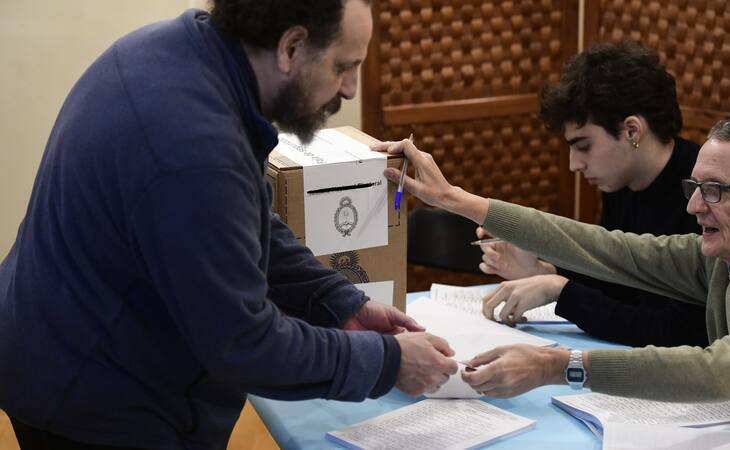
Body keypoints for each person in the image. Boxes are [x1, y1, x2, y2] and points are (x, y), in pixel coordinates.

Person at [0, 1, 458, 448]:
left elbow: (244, 222)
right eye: (343, 66)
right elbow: (245, 344)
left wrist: (337, 300)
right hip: (93, 399)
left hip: (62, 345)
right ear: (291, 47)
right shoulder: (193, 146)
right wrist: (387, 362)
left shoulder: (181, 51)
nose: (352, 89)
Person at [375, 117, 730, 447]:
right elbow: (601, 248)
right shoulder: (723, 255)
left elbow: (719, 372)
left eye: (716, 190)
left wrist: (558, 366)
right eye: (695, 186)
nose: (694, 206)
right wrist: (454, 198)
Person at [476, 41, 707, 347]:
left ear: (632, 131)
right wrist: (542, 271)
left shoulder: (704, 194)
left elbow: (675, 331)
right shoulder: (621, 181)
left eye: (584, 146)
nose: (574, 164)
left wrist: (561, 291)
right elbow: (618, 284)